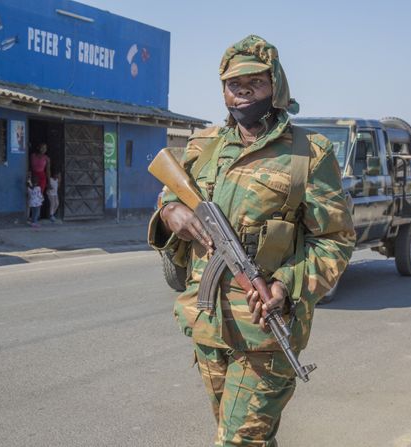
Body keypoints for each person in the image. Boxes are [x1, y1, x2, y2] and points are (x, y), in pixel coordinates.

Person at [148, 35, 355, 446]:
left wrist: (286, 284)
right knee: (248, 437)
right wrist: (171, 213)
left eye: (254, 84)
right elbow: (170, 198)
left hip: (265, 331)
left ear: (275, 88)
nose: (242, 93)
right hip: (207, 325)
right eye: (233, 86)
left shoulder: (309, 153)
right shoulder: (203, 146)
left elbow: (335, 239)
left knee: (236, 442)